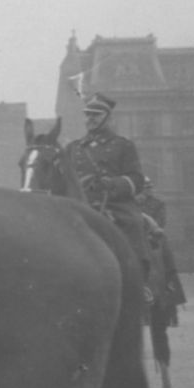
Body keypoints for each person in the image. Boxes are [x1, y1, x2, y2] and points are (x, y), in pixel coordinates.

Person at [65, 93, 151, 277]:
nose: (90, 119)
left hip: (113, 204)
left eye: (96, 115)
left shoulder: (123, 145)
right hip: (80, 204)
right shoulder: (73, 148)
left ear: (108, 118)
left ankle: (138, 280)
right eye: (88, 114)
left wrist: (112, 184)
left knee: (133, 223)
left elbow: (137, 179)